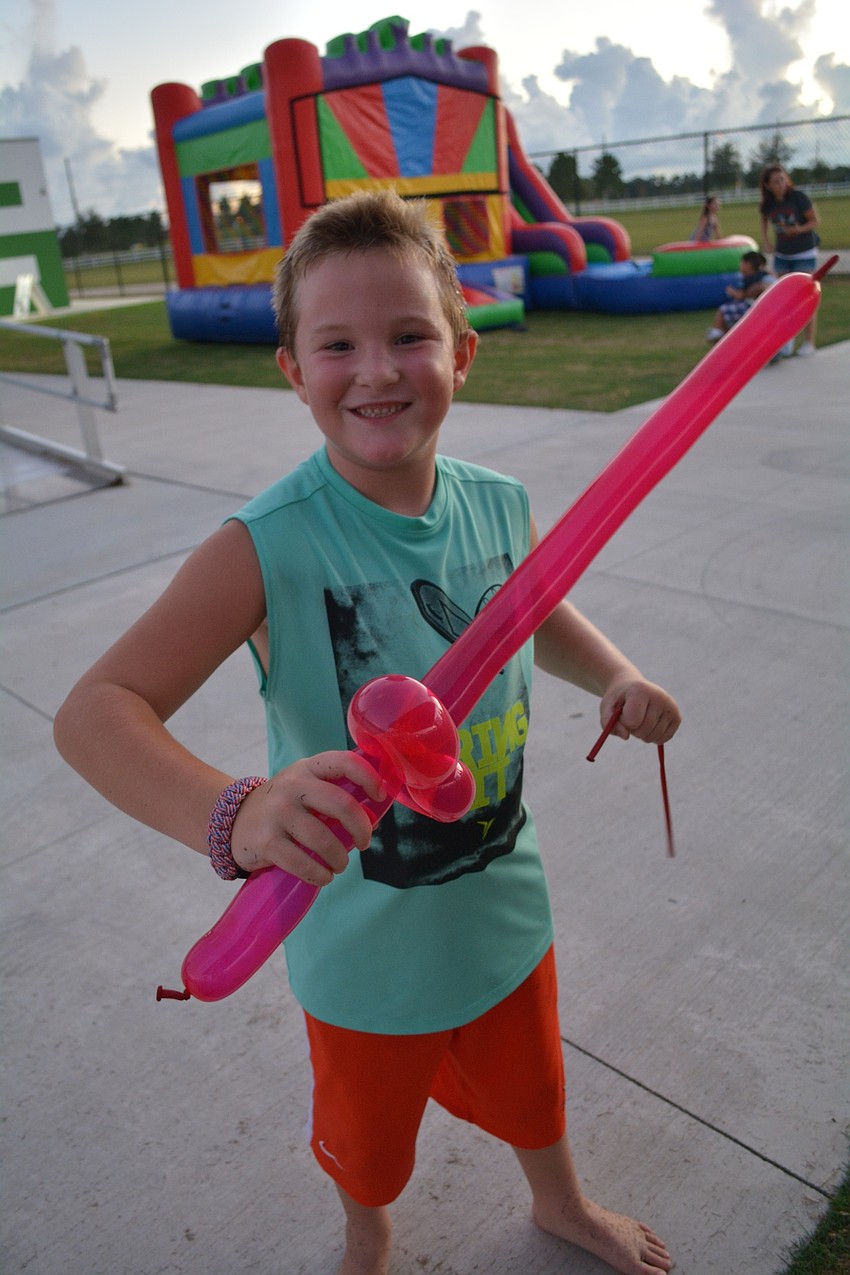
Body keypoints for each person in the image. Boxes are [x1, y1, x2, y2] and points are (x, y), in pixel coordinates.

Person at [54, 189, 679, 1275]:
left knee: (535, 1092)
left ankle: (562, 1203)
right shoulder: (266, 545)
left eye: (408, 336)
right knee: (368, 1146)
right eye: (337, 344)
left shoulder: (498, 503)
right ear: (294, 370)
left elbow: (534, 615)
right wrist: (235, 814)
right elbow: (94, 713)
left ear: (462, 352)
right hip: (357, 950)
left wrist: (616, 673)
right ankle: (367, 1235)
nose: (378, 371)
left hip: (502, 906)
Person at [759, 164, 819, 356]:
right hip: (782, 255)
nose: (781, 184)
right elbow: (764, 221)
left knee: (806, 296)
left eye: (783, 179)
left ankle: (809, 342)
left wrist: (796, 230)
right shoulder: (767, 204)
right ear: (768, 185)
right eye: (776, 181)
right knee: (784, 299)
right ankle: (786, 342)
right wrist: (767, 241)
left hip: (804, 253)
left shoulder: (798, 198)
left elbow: (814, 221)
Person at [706, 249, 774, 343]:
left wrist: (735, 293)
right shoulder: (746, 277)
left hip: (757, 310)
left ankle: (719, 333)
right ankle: (727, 338)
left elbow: (748, 293)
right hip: (750, 306)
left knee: (723, 310)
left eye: (744, 264)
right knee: (728, 314)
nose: (742, 267)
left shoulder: (766, 279)